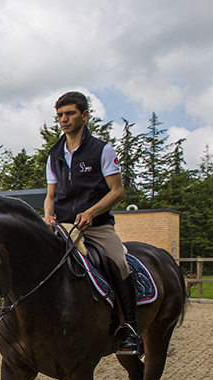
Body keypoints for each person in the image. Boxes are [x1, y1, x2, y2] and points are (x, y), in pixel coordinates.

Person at [43, 91, 140, 355]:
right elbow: (50, 196)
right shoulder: (54, 156)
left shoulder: (102, 150)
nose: (64, 119)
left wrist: (91, 212)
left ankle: (129, 329)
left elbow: (117, 191)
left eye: (70, 113)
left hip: (96, 227)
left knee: (118, 261)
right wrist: (47, 215)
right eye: (60, 115)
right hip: (63, 226)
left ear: (84, 115)